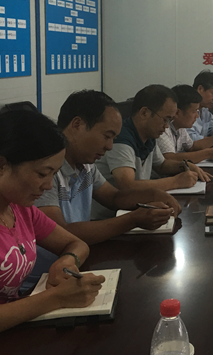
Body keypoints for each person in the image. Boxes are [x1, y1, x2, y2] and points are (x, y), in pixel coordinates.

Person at [0, 111, 104, 343]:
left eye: (54, 174)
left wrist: (66, 261)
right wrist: (56, 298)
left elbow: (76, 243)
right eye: (42, 174)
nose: (48, 185)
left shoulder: (19, 208)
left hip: (11, 334)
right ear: (1, 164)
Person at [27, 90, 180, 287]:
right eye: (107, 136)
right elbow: (61, 233)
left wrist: (153, 194)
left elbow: (113, 197)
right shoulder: (45, 171)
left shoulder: (85, 164)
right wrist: (133, 219)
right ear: (77, 125)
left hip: (77, 264)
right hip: (42, 280)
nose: (110, 146)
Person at [93, 85, 211, 219]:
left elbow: (161, 165)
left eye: (170, 120)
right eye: (165, 119)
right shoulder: (120, 138)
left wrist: (185, 165)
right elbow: (127, 185)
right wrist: (176, 182)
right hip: (109, 216)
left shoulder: (148, 136)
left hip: (134, 209)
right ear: (144, 113)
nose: (167, 126)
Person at [157, 84, 213, 164]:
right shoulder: (163, 128)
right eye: (194, 111)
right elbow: (169, 158)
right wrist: (208, 153)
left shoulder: (180, 128)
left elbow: (192, 147)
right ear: (177, 113)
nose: (197, 116)